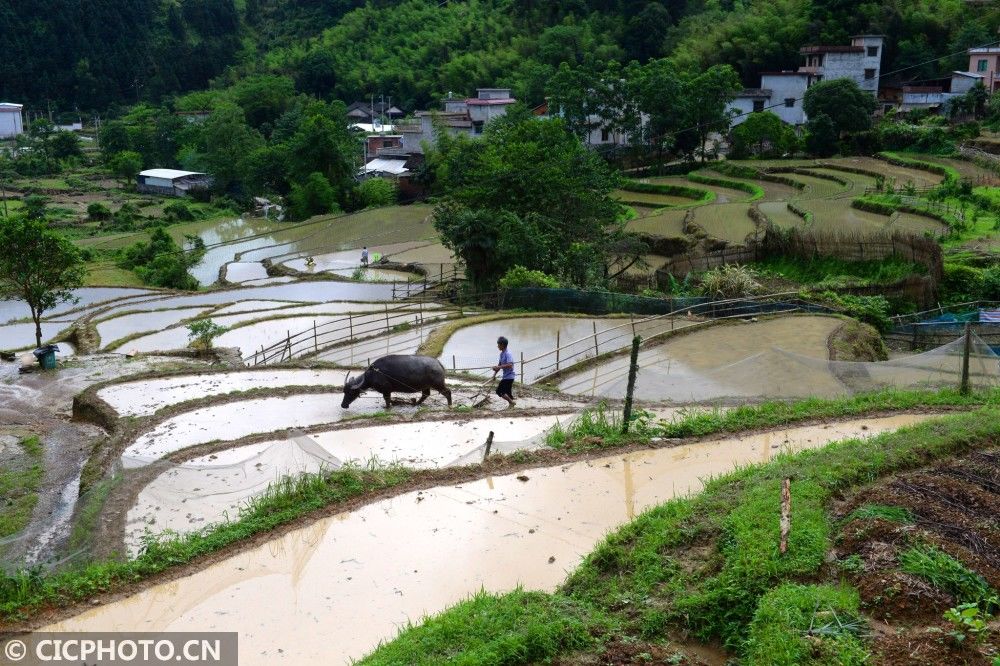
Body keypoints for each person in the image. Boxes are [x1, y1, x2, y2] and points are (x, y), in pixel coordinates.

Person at [492, 336, 516, 408]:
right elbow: (499, 365)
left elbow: (510, 365)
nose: (497, 346)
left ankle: (512, 403)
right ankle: (511, 406)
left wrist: (498, 367)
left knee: (499, 391)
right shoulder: (502, 354)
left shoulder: (508, 353)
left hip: (509, 377)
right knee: (508, 393)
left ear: (502, 345)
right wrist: (494, 374)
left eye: (498, 344)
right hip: (506, 376)